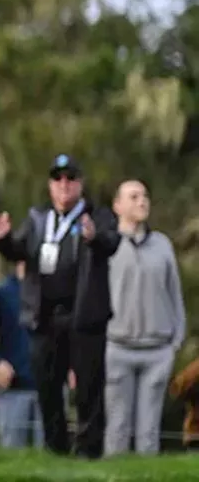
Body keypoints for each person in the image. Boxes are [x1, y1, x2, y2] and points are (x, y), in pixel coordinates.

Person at [0, 154, 120, 459]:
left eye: (70, 179)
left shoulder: (96, 215)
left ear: (80, 184)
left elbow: (112, 242)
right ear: (50, 185)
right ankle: (56, 447)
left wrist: (93, 237)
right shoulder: (37, 219)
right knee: (48, 388)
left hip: (84, 316)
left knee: (88, 389)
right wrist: (3, 239)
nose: (64, 185)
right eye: (58, 179)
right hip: (45, 317)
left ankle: (88, 451)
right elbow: (17, 251)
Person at [103, 180, 185, 456]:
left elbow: (175, 296)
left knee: (149, 435)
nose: (142, 201)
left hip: (157, 351)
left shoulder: (162, 245)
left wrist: (175, 342)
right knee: (117, 429)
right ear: (118, 206)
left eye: (145, 196)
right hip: (117, 349)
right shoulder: (107, 245)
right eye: (134, 196)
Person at [0, 261, 44, 448]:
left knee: (51, 455)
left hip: (49, 387)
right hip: (13, 388)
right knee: (12, 453)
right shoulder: (2, 293)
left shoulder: (55, 291)